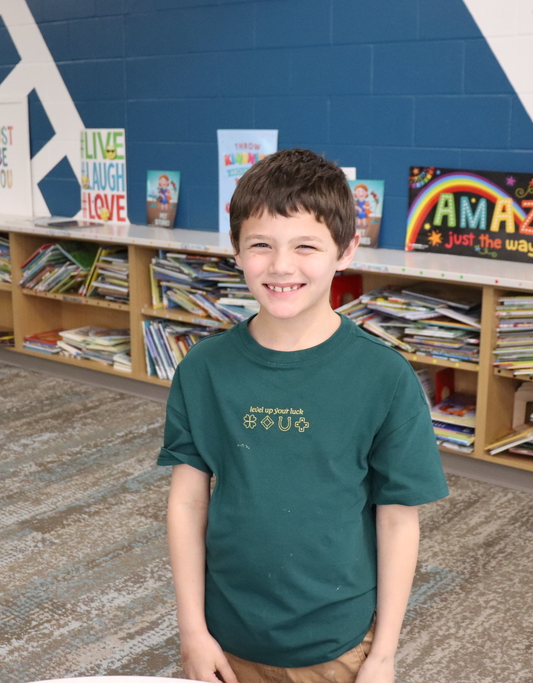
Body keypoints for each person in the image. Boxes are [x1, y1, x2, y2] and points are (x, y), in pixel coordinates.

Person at [158, 148, 449, 683]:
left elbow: (397, 518)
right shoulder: (203, 370)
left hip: (336, 644)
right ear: (237, 251)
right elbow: (187, 502)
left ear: (346, 250)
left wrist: (383, 654)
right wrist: (192, 631)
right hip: (226, 635)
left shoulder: (384, 377)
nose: (281, 266)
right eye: (261, 245)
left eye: (306, 246)